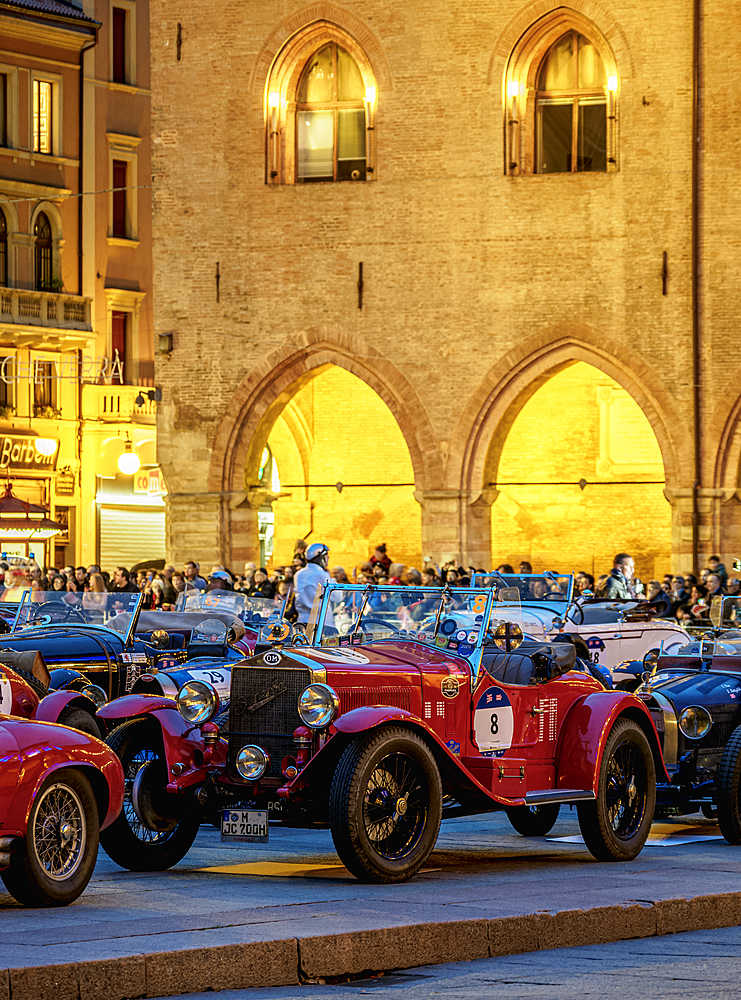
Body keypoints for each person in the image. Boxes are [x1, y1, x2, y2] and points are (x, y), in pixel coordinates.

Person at [294, 543, 332, 623]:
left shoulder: (298, 574)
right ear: (320, 557)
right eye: (326, 555)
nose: (328, 557)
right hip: (321, 621)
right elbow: (336, 597)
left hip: (303, 619)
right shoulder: (322, 574)